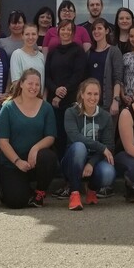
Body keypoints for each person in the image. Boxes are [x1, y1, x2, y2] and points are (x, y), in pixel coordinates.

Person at [0, 69, 58, 208]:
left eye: (37, 84)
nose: (34, 87)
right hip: (13, 163)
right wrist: (17, 161)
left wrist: (36, 148)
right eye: (30, 83)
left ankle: (39, 193)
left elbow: (50, 136)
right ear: (21, 84)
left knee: (49, 157)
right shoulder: (8, 107)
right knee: (15, 202)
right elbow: (2, 141)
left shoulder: (46, 108)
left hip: (35, 161)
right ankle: (12, 190)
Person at [62, 79, 116, 210]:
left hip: (95, 160)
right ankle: (74, 193)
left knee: (109, 172)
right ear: (82, 94)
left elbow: (109, 145)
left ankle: (92, 190)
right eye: (89, 93)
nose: (92, 97)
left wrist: (91, 163)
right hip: (73, 160)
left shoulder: (106, 116)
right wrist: (101, 148)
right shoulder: (71, 112)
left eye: (96, 94)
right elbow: (75, 137)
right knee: (80, 146)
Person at [45, 19, 87, 164]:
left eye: (69, 29)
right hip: (54, 101)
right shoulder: (52, 52)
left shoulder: (78, 51)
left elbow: (78, 75)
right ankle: (59, 165)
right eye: (63, 29)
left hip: (71, 100)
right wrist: (56, 90)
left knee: (71, 135)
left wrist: (63, 91)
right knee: (57, 135)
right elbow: (47, 76)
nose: (66, 32)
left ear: (73, 32)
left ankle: (71, 166)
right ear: (58, 31)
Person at [87, 19, 124, 118]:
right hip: (91, 103)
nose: (96, 31)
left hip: (108, 104)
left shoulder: (114, 51)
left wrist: (115, 101)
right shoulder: (89, 52)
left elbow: (118, 78)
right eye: (94, 29)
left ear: (107, 31)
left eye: (100, 28)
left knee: (108, 133)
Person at [10, 22, 46, 87]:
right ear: (22, 36)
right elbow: (16, 82)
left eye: (33, 34)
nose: (30, 37)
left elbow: (43, 81)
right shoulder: (17, 54)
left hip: (39, 96)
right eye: (27, 34)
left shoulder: (41, 56)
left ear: (37, 36)